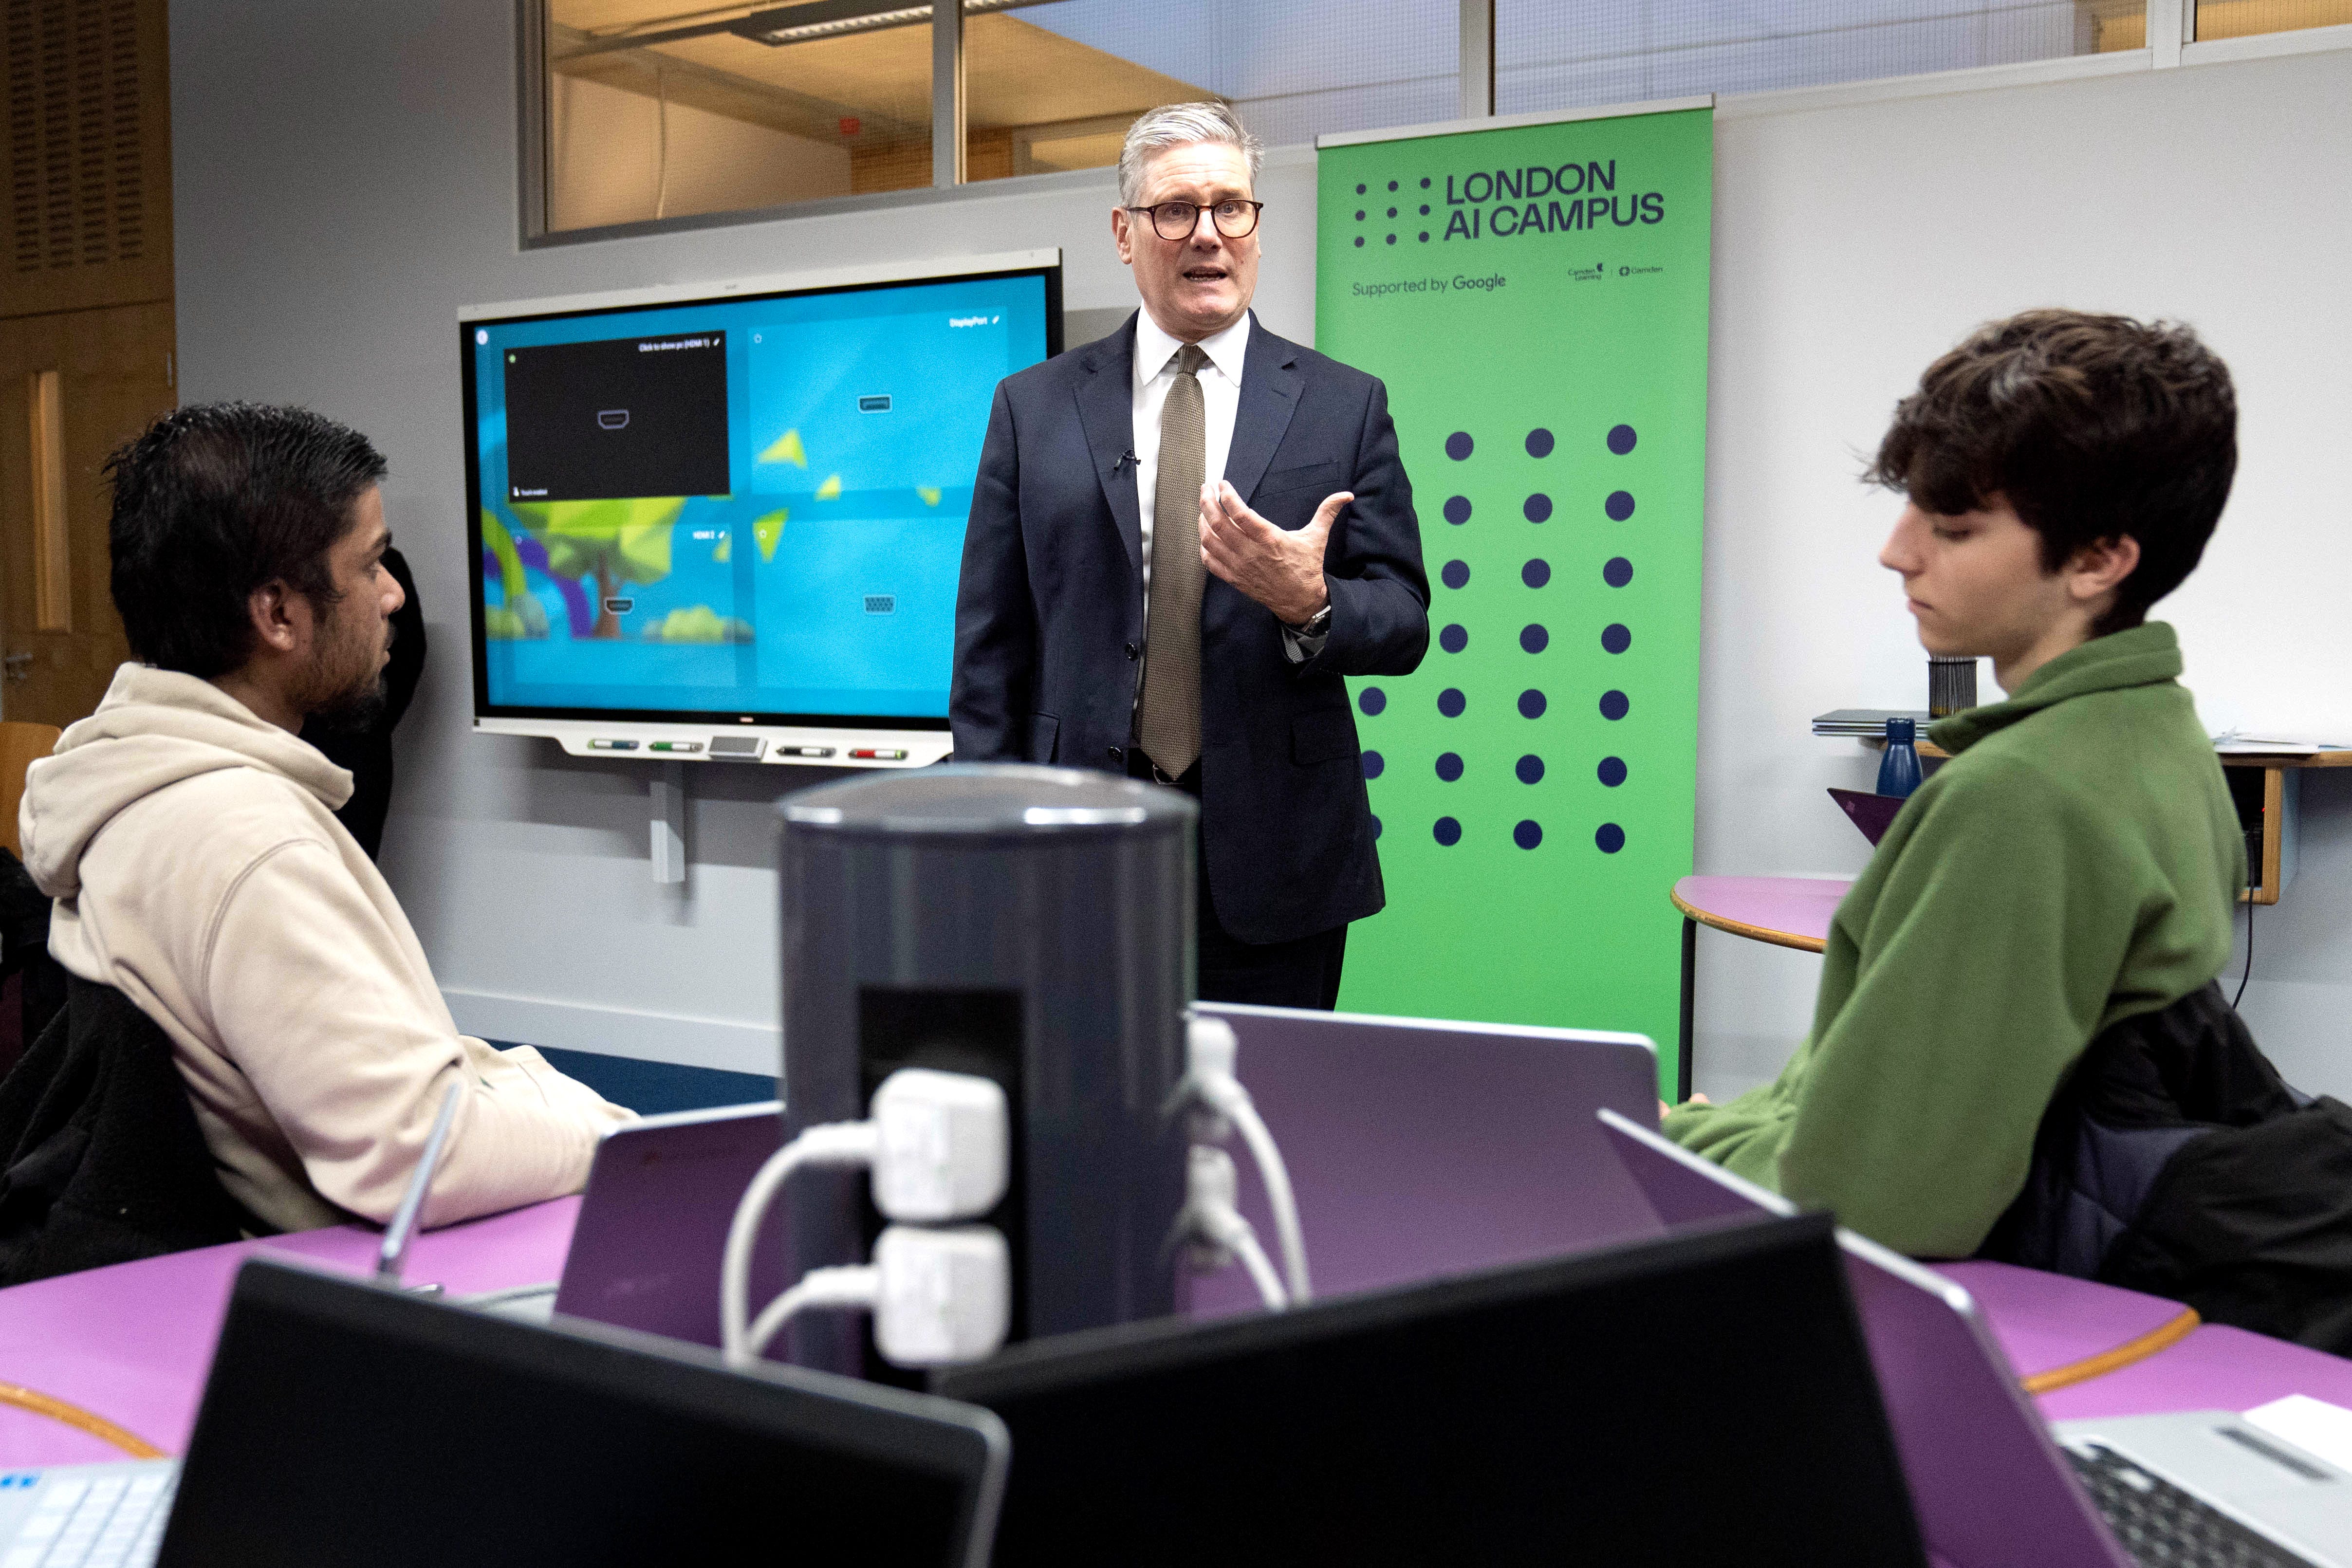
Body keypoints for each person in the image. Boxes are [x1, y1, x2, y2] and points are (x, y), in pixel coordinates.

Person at [1664, 310, 2243, 1258]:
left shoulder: (2020, 796)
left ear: (2100, 558)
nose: (1897, 551)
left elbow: (1875, 1203)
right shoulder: (2159, 732)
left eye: (1955, 526)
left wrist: (1678, 1138)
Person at [19, 403, 631, 1235]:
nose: (395, 594)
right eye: (371, 563)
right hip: (345, 1309)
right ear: (278, 615)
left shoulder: (126, 785)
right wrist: (613, 1139)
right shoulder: (247, 844)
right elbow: (412, 1152)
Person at [951, 102, 1428, 1009]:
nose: (1208, 234)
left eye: (1231, 207)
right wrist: (980, 837)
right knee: (1084, 1119)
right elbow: (990, 647)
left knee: (1259, 1121)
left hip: (1275, 859)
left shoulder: (1343, 404)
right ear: (1125, 234)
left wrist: (1310, 601)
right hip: (1077, 845)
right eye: (1177, 210)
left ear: (1255, 226)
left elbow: (1403, 618)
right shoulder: (1033, 406)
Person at [302, 542, 423, 861]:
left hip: (356, 750)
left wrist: (363, 721)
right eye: (368, 567)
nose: (395, 595)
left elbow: (406, 662)